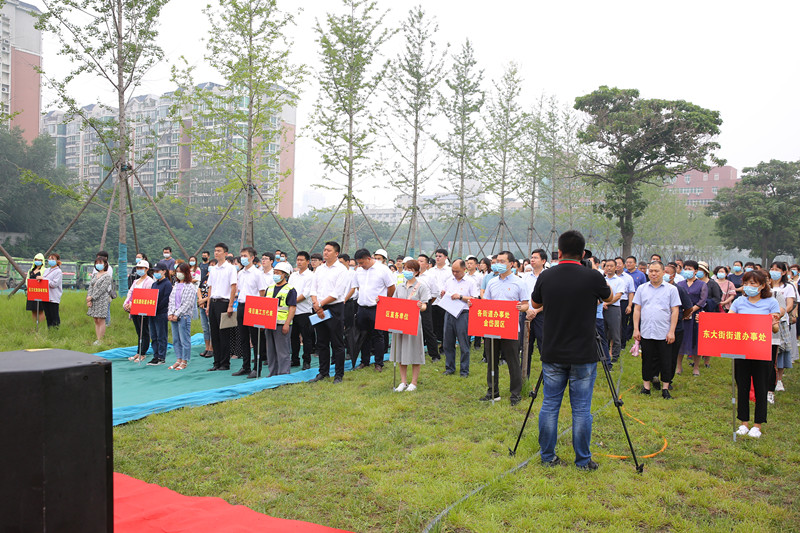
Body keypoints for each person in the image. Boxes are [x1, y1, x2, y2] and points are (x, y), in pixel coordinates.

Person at [531, 230, 613, 470]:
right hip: (583, 353)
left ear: (559, 252)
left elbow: (535, 303)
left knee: (549, 405)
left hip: (553, 350)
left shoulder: (547, 276)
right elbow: (608, 297)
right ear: (583, 253)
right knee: (581, 409)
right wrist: (593, 273)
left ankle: (547, 457)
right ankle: (583, 461)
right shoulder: (592, 276)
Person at [730, 270, 781, 438]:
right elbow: (728, 322)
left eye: (753, 283)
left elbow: (775, 329)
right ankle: (743, 422)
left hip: (761, 350)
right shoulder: (739, 302)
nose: (749, 286)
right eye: (746, 283)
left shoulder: (771, 302)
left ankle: (757, 425)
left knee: (761, 387)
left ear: (762, 286)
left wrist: (773, 323)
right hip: (741, 349)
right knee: (742, 386)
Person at [478, 250, 529, 406]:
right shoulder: (492, 282)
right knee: (492, 361)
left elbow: (526, 304)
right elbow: (486, 303)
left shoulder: (519, 282)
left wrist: (521, 307)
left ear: (511, 264)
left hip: (510, 328)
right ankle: (493, 392)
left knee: (513, 361)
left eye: (502, 261)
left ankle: (515, 394)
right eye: (496, 262)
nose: (498, 264)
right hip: (493, 327)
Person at [632, 261, 681, 399]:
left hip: (664, 331)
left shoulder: (671, 289)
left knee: (666, 360)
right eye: (651, 271)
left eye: (657, 271)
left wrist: (672, 331)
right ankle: (646, 387)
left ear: (663, 272)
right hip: (646, 330)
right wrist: (636, 329)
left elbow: (675, 310)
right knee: (647, 359)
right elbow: (637, 309)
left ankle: (665, 388)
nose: (653, 273)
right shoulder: (642, 288)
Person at [351, 248, 396, 371]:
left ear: (369, 258)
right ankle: (364, 361)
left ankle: (378, 363)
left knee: (378, 335)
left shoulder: (383, 269)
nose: (360, 265)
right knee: (363, 335)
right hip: (362, 307)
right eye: (358, 263)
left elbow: (391, 287)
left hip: (377, 307)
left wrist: (385, 300)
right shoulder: (359, 271)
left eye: (362, 263)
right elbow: (358, 287)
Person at [310, 241, 349, 383]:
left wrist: (320, 304)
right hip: (318, 308)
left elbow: (337, 293)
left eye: (329, 250)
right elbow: (313, 289)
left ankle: (338, 375)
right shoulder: (320, 269)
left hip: (334, 308)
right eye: (324, 250)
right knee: (321, 342)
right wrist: (316, 304)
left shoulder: (341, 270)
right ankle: (323, 372)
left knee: (337, 343)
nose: (325, 252)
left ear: (336, 253)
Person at [389, 259, 430, 391]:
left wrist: (420, 306)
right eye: (406, 269)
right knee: (400, 351)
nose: (407, 272)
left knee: (414, 350)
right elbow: (393, 303)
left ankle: (414, 382)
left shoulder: (421, 287)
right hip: (400, 322)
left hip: (414, 322)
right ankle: (403, 381)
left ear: (416, 272)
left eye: (410, 270)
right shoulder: (400, 286)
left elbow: (424, 306)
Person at [232, 247, 268, 378]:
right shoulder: (240, 273)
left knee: (255, 338)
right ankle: (245, 366)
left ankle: (256, 368)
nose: (243, 258)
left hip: (254, 306)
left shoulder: (258, 273)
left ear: (252, 258)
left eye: (245, 256)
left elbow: (262, 292)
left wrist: (260, 311)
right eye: (241, 256)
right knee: (243, 338)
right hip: (241, 305)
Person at [441, 259, 478, 377]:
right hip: (449, 313)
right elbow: (445, 294)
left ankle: (464, 370)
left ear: (464, 269)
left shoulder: (470, 282)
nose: (455, 273)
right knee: (448, 342)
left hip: (463, 314)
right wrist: (443, 294)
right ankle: (450, 368)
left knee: (463, 343)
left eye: (457, 271)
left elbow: (475, 299)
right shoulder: (449, 281)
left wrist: (461, 297)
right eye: (453, 271)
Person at [206, 243, 238, 372]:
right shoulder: (213, 269)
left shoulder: (230, 268)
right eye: (215, 250)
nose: (216, 253)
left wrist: (230, 305)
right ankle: (216, 362)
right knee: (214, 333)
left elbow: (233, 287)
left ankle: (225, 363)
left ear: (225, 253)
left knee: (223, 334)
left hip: (224, 303)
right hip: (213, 302)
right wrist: (208, 305)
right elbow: (210, 287)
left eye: (219, 251)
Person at [265, 262, 297, 377]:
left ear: (284, 275)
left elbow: (292, 308)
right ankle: (272, 373)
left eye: (278, 273)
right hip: (269, 324)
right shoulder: (269, 288)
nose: (275, 275)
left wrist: (287, 324)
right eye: (274, 273)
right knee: (271, 351)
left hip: (282, 324)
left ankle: (283, 374)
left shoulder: (290, 289)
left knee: (282, 351)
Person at [769, 262, 796, 399]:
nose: (774, 271)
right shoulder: (766, 286)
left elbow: (789, 305)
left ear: (784, 272)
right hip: (767, 323)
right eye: (772, 269)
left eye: (777, 269)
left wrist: (777, 315)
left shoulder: (788, 287)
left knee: (781, 350)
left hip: (782, 321)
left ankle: (779, 379)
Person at [676, 260, 707, 376]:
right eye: (686, 269)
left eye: (690, 269)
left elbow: (702, 300)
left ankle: (696, 367)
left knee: (696, 341)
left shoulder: (702, 285)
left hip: (695, 316)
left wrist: (690, 310)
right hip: (682, 315)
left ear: (696, 271)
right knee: (680, 340)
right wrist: (684, 311)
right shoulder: (680, 284)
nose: (687, 271)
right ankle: (679, 367)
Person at [167, 263, 197, 370]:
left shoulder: (190, 286)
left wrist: (177, 314)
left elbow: (188, 303)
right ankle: (178, 359)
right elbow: (171, 300)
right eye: (177, 271)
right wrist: (170, 313)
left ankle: (184, 360)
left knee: (184, 339)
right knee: (176, 339)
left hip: (184, 316)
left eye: (181, 271)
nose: (178, 274)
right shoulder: (176, 285)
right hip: (174, 315)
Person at [123, 260, 154, 362]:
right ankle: (138, 351)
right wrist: (126, 304)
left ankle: (143, 353)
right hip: (134, 309)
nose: (139, 270)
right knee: (138, 331)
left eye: (141, 268)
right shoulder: (136, 281)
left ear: (147, 269)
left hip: (143, 309)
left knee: (144, 331)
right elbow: (130, 293)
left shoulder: (150, 281)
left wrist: (134, 303)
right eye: (138, 268)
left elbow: (146, 295)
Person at [290, 251, 316, 370]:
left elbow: (305, 294)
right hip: (292, 311)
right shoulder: (293, 275)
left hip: (304, 311)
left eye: (301, 260)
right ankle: (295, 359)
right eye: (298, 260)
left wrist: (292, 302)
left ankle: (306, 361)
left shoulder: (311, 276)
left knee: (306, 337)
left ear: (307, 262)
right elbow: (289, 290)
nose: (299, 262)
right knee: (293, 337)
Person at [523, 249, 547, 376]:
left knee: (544, 346)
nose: (532, 260)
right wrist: (527, 310)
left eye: (536, 258)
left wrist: (536, 311)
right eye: (531, 257)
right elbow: (521, 296)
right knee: (525, 347)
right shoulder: (525, 277)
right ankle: (524, 377)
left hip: (542, 315)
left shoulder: (548, 276)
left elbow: (551, 299)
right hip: (526, 314)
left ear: (543, 261)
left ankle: (547, 376)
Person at [147, 261, 173, 365]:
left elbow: (166, 300)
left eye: (158, 271)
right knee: (153, 336)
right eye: (154, 271)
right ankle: (155, 355)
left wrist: (156, 308)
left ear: (164, 271)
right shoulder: (154, 284)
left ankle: (161, 357)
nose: (156, 273)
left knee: (161, 335)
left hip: (161, 313)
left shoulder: (167, 284)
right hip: (152, 313)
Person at [417, 254, 440, 360]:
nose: (419, 263)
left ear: (427, 265)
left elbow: (435, 293)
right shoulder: (413, 275)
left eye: (421, 261)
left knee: (428, 329)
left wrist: (427, 303)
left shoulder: (430, 276)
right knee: (414, 330)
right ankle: (416, 353)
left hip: (425, 305)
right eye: (418, 260)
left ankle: (434, 355)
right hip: (413, 305)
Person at [602, 259, 626, 363]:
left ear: (615, 267)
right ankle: (604, 355)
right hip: (602, 308)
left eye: (611, 266)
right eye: (607, 266)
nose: (609, 268)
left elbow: (618, 296)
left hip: (613, 308)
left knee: (615, 333)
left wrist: (607, 303)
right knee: (603, 332)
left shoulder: (619, 281)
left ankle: (615, 356)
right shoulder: (603, 280)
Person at [86, 256, 112, 345]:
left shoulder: (107, 276)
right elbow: (90, 287)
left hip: (101, 300)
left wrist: (92, 297)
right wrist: (89, 298)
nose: (98, 265)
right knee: (96, 320)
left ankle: (101, 340)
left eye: (100, 263)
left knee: (101, 320)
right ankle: (97, 338)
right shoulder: (94, 275)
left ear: (105, 264)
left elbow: (102, 289)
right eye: (97, 263)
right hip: (93, 300)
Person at [431, 248, 452, 346]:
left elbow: (452, 284)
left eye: (440, 256)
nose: (437, 258)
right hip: (433, 300)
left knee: (444, 324)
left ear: (446, 257)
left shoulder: (450, 271)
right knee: (434, 324)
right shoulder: (431, 271)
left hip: (445, 301)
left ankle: (444, 345)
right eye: (436, 256)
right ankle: (434, 344)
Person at [41, 253, 63, 328]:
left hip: (53, 297)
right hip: (45, 296)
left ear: (57, 261)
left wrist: (44, 279)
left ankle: (56, 330)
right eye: (49, 259)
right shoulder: (46, 270)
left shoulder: (58, 271)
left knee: (54, 316)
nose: (51, 260)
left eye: (53, 259)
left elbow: (54, 284)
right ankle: (50, 330)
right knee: (48, 316)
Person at [26, 253, 46, 324]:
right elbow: (27, 280)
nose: (38, 261)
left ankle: (41, 324)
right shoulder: (30, 271)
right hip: (32, 292)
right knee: (33, 309)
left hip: (40, 292)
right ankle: (34, 324)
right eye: (36, 260)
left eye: (39, 260)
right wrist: (28, 289)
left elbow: (45, 280)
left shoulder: (44, 270)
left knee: (40, 310)